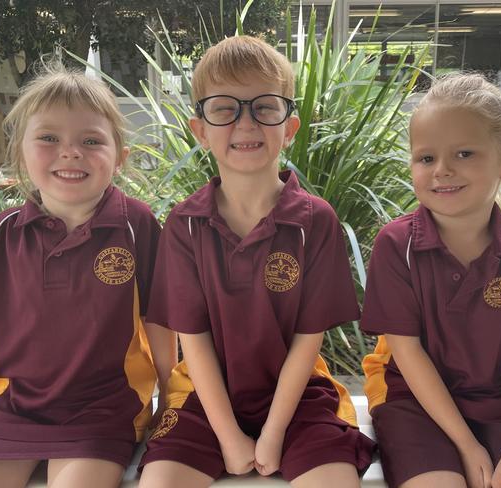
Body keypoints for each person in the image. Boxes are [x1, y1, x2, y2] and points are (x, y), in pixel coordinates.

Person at [138, 36, 374, 488]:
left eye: (265, 107)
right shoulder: (185, 224)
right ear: (201, 130)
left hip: (298, 397)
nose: (245, 123)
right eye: (224, 109)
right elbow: (196, 341)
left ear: (290, 126)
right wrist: (229, 437)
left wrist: (273, 433)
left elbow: (309, 340)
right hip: (204, 399)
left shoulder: (314, 221)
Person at [0, 65, 177, 488]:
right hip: (15, 408)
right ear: (20, 152)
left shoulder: (135, 225)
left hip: (103, 410)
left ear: (120, 158)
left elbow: (160, 319)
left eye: (91, 141)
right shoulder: (4, 231)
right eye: (49, 138)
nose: (70, 152)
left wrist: (171, 398)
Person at [360, 73, 501, 488]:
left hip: (496, 402)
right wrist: (466, 445)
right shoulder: (397, 245)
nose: (442, 171)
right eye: (426, 158)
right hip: (411, 402)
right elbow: (408, 354)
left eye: (464, 153)